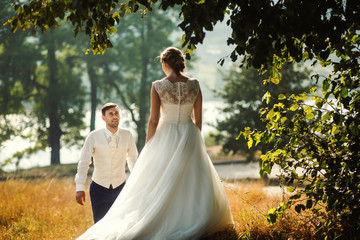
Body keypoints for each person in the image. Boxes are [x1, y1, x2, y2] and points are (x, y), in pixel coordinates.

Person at [76, 47, 234, 239]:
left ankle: (163, 217)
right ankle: (192, 218)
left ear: (165, 63)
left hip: (165, 135)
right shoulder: (195, 84)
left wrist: (149, 145)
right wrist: (193, 140)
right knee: (191, 179)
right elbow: (198, 119)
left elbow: (153, 121)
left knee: (160, 179)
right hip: (189, 133)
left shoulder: (158, 86)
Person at [75, 103, 138, 223]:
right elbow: (84, 162)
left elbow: (133, 160)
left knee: (119, 225)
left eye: (116, 113)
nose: (114, 116)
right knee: (99, 225)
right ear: (103, 117)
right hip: (99, 189)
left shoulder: (127, 135)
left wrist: (137, 182)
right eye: (111, 114)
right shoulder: (93, 136)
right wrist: (79, 187)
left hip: (120, 188)